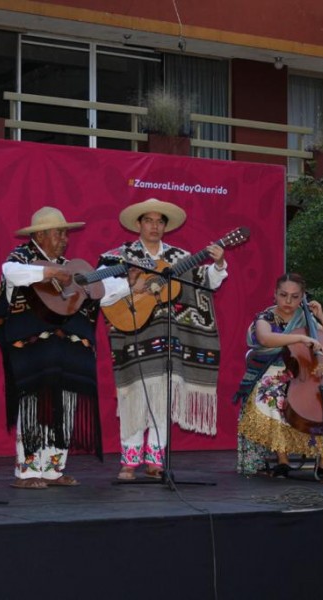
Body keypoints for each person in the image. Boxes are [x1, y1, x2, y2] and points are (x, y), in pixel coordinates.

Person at [0, 207, 122, 490]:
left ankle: (52, 469)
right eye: (58, 232)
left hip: (66, 349)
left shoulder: (72, 266)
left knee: (64, 406)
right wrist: (49, 271)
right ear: (39, 235)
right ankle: (27, 472)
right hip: (32, 349)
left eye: (65, 233)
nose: (64, 238)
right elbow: (9, 273)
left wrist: (128, 283)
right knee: (34, 406)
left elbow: (102, 293)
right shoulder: (21, 257)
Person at [98, 198, 226, 481]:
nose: (154, 226)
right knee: (133, 396)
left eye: (159, 222)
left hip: (168, 337)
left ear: (165, 227)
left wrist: (218, 264)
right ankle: (129, 460)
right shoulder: (120, 255)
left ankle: (155, 459)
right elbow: (101, 290)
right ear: (139, 224)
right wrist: (132, 285)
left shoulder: (179, 257)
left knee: (162, 398)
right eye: (149, 221)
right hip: (131, 332)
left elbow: (206, 282)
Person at [234, 272, 323, 479]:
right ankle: (282, 461)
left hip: (307, 372)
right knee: (273, 398)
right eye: (283, 295)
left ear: (302, 297)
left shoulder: (307, 318)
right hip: (275, 371)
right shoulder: (265, 317)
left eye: (295, 296)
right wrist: (300, 337)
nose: (288, 301)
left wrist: (321, 317)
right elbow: (265, 339)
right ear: (275, 294)